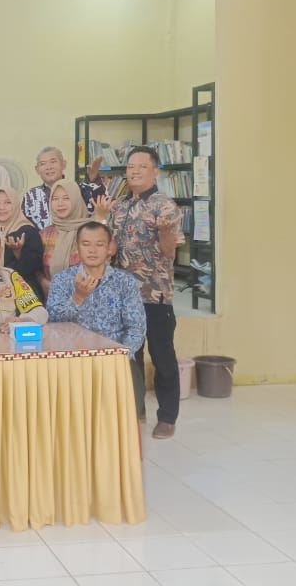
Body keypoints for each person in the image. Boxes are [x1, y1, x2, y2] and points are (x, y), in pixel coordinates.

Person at [107, 145, 184, 439]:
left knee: (162, 357)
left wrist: (164, 233)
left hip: (155, 296)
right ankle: (135, 412)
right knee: (131, 357)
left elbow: (169, 252)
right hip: (124, 298)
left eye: (142, 166)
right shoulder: (120, 207)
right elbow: (110, 248)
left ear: (155, 171)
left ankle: (167, 417)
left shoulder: (165, 207)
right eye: (130, 167)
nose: (135, 171)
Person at [47, 221, 146, 363]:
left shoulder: (125, 281)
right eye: (86, 244)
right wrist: (77, 298)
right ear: (77, 247)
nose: (92, 250)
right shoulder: (62, 279)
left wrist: (120, 355)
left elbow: (136, 328)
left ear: (109, 248)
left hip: (115, 360)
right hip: (72, 359)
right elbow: (53, 321)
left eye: (99, 244)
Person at [41, 179, 110, 294]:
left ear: (76, 199)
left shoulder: (91, 229)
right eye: (55, 199)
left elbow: (106, 259)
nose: (60, 203)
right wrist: (43, 282)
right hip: (53, 299)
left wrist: (102, 220)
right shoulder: (45, 234)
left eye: (66, 198)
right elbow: (37, 269)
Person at [22, 146, 106, 230]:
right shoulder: (30, 196)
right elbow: (24, 225)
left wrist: (93, 179)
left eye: (53, 162)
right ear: (37, 169)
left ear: (63, 164)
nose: (49, 167)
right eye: (43, 163)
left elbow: (101, 205)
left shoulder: (78, 189)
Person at [0, 186, 46, 300]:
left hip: (23, 295)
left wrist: (18, 253)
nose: (2, 207)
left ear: (15, 204)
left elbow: (33, 269)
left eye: (8, 202)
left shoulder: (27, 231)